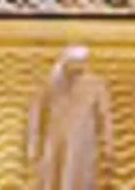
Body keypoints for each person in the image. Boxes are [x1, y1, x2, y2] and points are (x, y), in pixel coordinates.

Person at [27, 46, 111, 190]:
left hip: (83, 146)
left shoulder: (95, 85)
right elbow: (36, 115)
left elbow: (104, 117)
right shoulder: (50, 85)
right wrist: (33, 147)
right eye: (74, 62)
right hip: (55, 144)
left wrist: (108, 147)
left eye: (81, 62)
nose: (78, 66)